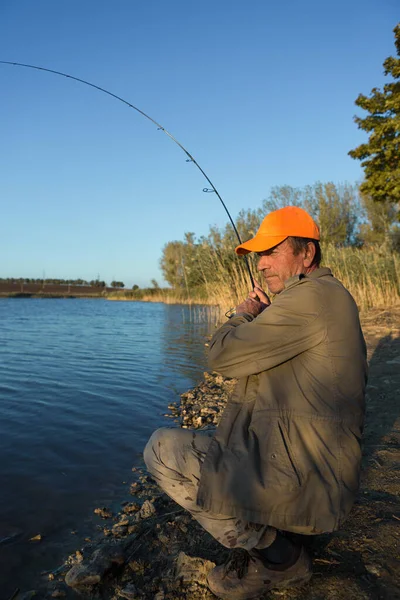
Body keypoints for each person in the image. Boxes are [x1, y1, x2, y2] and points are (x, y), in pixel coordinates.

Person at [144, 206, 367, 600]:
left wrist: (242, 314)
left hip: (311, 476)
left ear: (306, 254)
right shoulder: (321, 295)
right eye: (258, 255)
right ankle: (280, 528)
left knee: (162, 450)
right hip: (314, 461)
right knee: (223, 442)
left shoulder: (309, 299)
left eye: (270, 252)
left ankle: (278, 558)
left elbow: (222, 356)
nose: (261, 265)